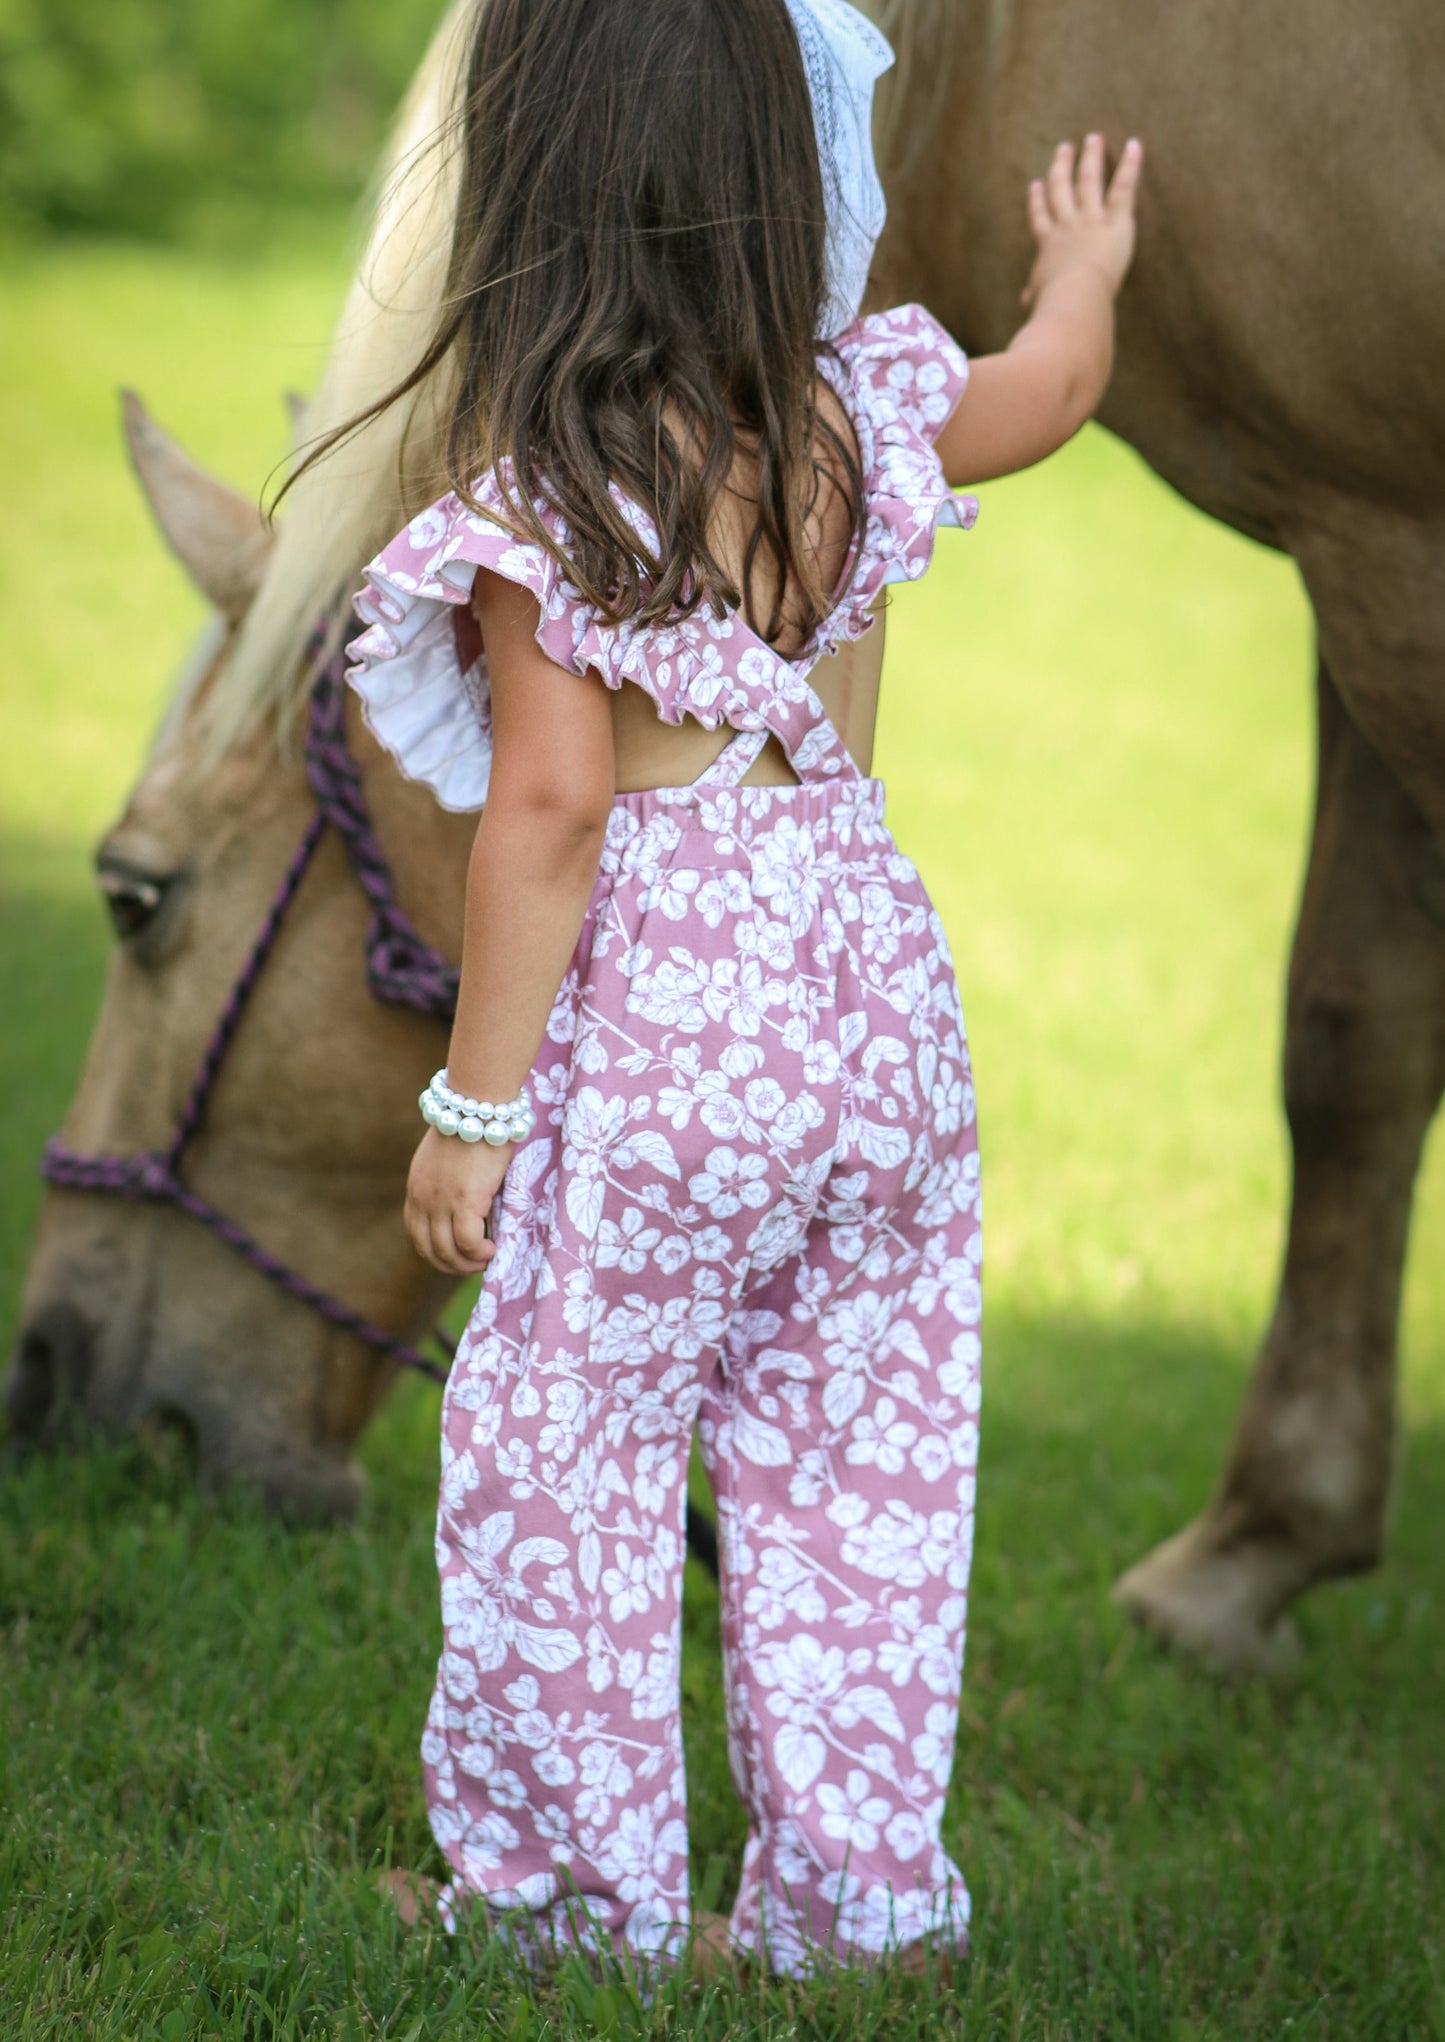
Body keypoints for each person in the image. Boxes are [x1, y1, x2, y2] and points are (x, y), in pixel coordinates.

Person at [338, 0, 1141, 1980]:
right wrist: (1087, 276)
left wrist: (474, 1108)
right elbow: (1042, 394)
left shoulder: (553, 488)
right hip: (874, 999)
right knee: (863, 1462)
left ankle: (557, 1910)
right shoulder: (847, 413)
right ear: (787, 185)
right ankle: (859, 1912)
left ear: (535, 193)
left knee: (565, 1451)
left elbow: (550, 809)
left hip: (676, 1042)